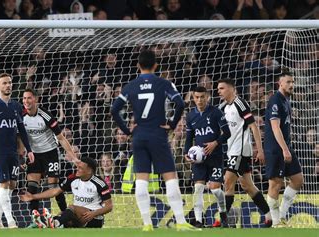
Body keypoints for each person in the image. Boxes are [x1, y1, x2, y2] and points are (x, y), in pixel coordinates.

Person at [111, 49, 198, 231]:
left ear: (138, 65)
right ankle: (181, 222)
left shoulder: (130, 86)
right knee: (170, 178)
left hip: (139, 136)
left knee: (141, 180)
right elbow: (180, 103)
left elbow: (114, 109)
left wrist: (127, 130)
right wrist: (173, 124)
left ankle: (147, 224)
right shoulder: (163, 83)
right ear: (156, 65)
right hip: (158, 135)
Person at [0, 73, 34, 228]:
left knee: (12, 185)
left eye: (9, 83)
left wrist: (29, 150)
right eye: (4, 83)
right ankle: (10, 221)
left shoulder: (16, 106)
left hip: (13, 151)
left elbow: (21, 130)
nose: (8, 85)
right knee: (4, 183)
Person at [217, 78, 272, 227]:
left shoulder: (240, 104)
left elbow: (253, 127)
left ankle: (222, 220)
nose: (218, 91)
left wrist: (259, 150)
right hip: (232, 150)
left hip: (240, 150)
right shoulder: (224, 107)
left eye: (221, 88)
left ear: (231, 89)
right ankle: (269, 216)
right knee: (247, 185)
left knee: (228, 181)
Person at [21, 88, 77, 227]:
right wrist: (22, 156)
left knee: (54, 186)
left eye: (29, 98)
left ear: (36, 99)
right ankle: (36, 220)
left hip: (50, 153)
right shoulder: (21, 116)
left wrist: (74, 157)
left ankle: (66, 217)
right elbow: (19, 138)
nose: (26, 101)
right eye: (24, 98)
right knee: (32, 187)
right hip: (33, 155)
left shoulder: (45, 116)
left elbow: (61, 138)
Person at [183, 86, 231, 228]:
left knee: (215, 189)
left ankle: (223, 212)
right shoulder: (191, 116)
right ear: (193, 98)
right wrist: (186, 152)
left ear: (207, 97)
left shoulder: (216, 112)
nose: (199, 100)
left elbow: (227, 133)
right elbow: (189, 137)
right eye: (196, 97)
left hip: (215, 156)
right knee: (198, 188)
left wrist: (215, 143)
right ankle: (198, 221)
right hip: (199, 158)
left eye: (202, 97)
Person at [20, 157, 113, 228]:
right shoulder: (73, 178)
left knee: (71, 208)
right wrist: (33, 196)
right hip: (77, 217)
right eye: (77, 166)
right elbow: (55, 191)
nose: (77, 169)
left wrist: (94, 213)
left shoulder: (99, 183)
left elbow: (109, 206)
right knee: (63, 216)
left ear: (89, 171)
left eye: (80, 168)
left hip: (94, 218)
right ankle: (47, 224)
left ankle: (55, 223)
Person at [265, 72, 303, 227]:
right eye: (288, 82)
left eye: (292, 82)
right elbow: (275, 128)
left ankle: (281, 216)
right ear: (279, 83)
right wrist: (284, 149)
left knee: (298, 180)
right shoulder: (276, 100)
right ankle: (275, 222)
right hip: (276, 148)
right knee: (275, 184)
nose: (291, 85)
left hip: (286, 146)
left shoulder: (287, 100)